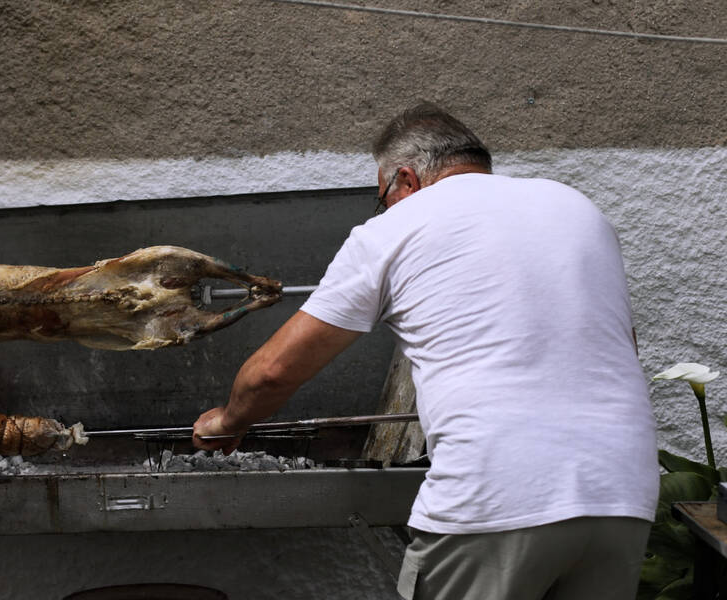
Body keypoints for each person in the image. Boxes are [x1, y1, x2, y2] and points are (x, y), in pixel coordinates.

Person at [192, 102, 659, 600]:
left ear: (406, 179)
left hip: (495, 497)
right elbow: (621, 346)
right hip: (622, 494)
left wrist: (226, 422)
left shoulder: (396, 227)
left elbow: (274, 372)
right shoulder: (576, 207)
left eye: (382, 197)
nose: (385, 208)